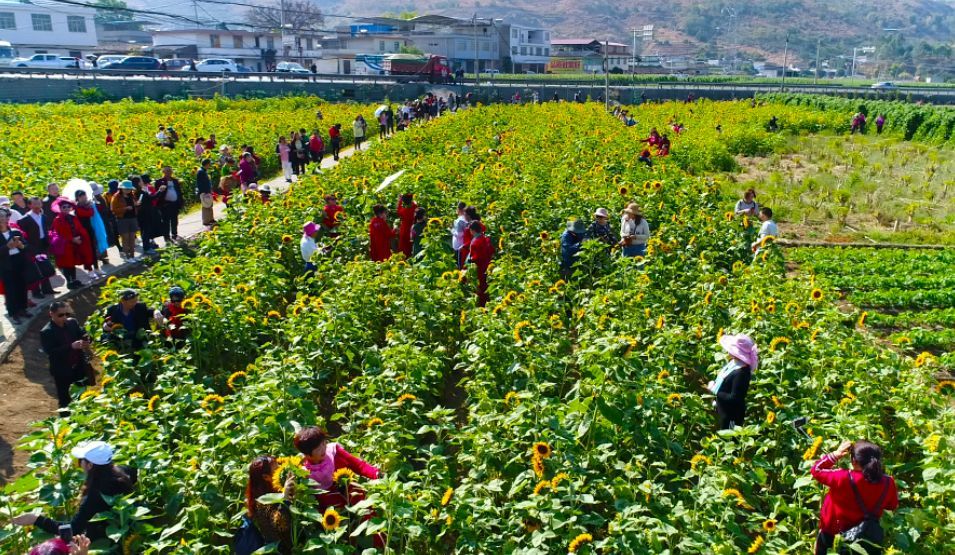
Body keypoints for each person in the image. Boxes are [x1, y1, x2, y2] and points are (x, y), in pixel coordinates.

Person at [12, 441, 137, 541]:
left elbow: (74, 528)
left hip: (103, 540)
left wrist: (36, 520)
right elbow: (135, 473)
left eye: (80, 461)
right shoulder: (123, 472)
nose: (78, 464)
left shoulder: (95, 495)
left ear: (90, 465)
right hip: (127, 532)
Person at [811, 440, 899, 555]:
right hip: (867, 536)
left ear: (853, 461)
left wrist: (836, 454)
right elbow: (891, 505)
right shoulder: (888, 482)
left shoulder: (842, 477)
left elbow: (816, 470)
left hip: (833, 534)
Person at [294, 426, 380, 510]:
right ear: (307, 454)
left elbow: (358, 465)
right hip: (333, 512)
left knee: (356, 491)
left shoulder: (334, 453)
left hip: (353, 495)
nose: (323, 448)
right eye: (318, 449)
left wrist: (376, 474)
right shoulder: (304, 473)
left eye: (324, 443)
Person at [39, 301, 90, 410]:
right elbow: (51, 352)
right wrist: (71, 346)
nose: (64, 317)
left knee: (82, 396)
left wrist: (87, 339)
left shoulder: (72, 323)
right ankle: (66, 422)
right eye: (60, 315)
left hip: (78, 366)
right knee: (65, 400)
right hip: (62, 371)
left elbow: (82, 333)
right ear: (51, 314)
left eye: (67, 314)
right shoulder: (47, 332)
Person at [245, 455, 294, 554]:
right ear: (266, 477)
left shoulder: (275, 489)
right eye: (276, 470)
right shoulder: (262, 502)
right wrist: (285, 498)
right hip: (281, 551)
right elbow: (281, 525)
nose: (280, 471)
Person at [707, 334, 756, 430]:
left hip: (731, 417)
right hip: (723, 411)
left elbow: (735, 398)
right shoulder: (734, 363)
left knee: (729, 442)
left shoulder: (741, 373)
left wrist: (714, 390)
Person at [51, 198, 94, 289]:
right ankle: (69, 282)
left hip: (74, 244)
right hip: (65, 246)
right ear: (60, 208)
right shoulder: (58, 220)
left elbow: (79, 228)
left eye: (68, 206)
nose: (66, 208)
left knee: (72, 263)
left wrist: (80, 237)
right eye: (64, 207)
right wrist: (72, 239)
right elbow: (59, 234)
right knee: (67, 265)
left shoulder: (73, 217)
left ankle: (74, 280)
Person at [19, 197, 56, 299]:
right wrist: (28, 247)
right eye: (34, 204)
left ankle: (47, 289)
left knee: (45, 266)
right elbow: (22, 235)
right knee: (35, 269)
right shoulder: (25, 219)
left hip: (43, 244)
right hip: (32, 247)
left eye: (38, 204)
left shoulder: (43, 216)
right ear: (29, 205)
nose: (37, 206)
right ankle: (36, 292)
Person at [0, 207, 31, 322]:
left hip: (19, 261)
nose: (1, 218)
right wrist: (7, 247)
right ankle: (13, 313)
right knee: (10, 290)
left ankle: (23, 308)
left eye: (3, 216)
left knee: (22, 286)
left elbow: (26, 246)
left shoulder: (15, 231)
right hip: (6, 264)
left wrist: (20, 245)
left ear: (7, 218)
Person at [72, 191, 105, 280]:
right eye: (81, 196)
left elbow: (98, 210)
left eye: (84, 196)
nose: (83, 198)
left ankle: (97, 268)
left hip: (89, 229)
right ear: (77, 198)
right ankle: (90, 270)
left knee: (93, 249)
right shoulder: (77, 207)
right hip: (82, 232)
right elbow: (89, 213)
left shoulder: (87, 205)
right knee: (86, 251)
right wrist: (90, 207)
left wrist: (91, 205)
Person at [466, 221, 493, 307]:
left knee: (480, 287)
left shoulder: (475, 242)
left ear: (472, 230)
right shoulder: (486, 238)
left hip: (479, 268)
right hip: (487, 266)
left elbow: (476, 257)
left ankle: (482, 305)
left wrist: (470, 261)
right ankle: (488, 303)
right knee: (486, 286)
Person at [110, 181, 139, 260]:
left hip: (132, 218)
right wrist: (125, 208)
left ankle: (132, 255)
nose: (128, 190)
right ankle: (127, 256)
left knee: (132, 238)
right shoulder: (116, 197)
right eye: (126, 189)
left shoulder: (132, 195)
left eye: (129, 189)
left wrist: (136, 205)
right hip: (122, 219)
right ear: (121, 188)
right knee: (125, 238)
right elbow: (113, 209)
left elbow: (135, 206)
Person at [155, 166, 184, 243]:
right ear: (163, 172)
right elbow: (157, 194)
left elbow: (179, 192)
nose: (169, 173)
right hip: (165, 205)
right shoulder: (159, 181)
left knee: (174, 220)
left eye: (170, 171)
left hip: (175, 204)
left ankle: (174, 234)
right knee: (166, 221)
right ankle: (166, 237)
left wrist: (180, 202)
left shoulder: (175, 181)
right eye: (167, 171)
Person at [395, 193, 418, 258]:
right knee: (411, 247)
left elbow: (398, 209)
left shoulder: (403, 211)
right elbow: (415, 204)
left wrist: (400, 200)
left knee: (403, 248)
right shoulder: (414, 208)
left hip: (404, 230)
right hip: (412, 230)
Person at [196, 159, 215, 228]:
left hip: (207, 191)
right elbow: (200, 184)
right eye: (209, 164)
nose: (210, 165)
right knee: (206, 206)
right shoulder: (201, 172)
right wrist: (205, 192)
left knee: (209, 205)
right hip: (204, 192)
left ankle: (211, 219)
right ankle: (206, 221)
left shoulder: (203, 171)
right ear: (206, 164)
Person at [451, 202, 468, 269]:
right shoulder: (465, 219)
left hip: (459, 246)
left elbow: (459, 234)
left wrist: (451, 230)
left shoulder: (460, 220)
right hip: (462, 245)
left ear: (459, 209)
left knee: (459, 266)